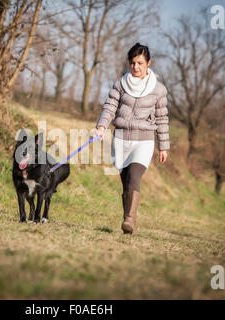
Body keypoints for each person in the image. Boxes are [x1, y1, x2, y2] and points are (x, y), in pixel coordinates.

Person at [95, 43, 170, 235]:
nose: (136, 67)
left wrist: (163, 146)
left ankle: (129, 219)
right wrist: (102, 126)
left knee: (134, 177)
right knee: (126, 181)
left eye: (140, 63)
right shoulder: (120, 83)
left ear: (148, 63)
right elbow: (110, 106)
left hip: (144, 141)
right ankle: (129, 218)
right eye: (133, 63)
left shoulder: (158, 90)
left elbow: (162, 118)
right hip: (120, 139)